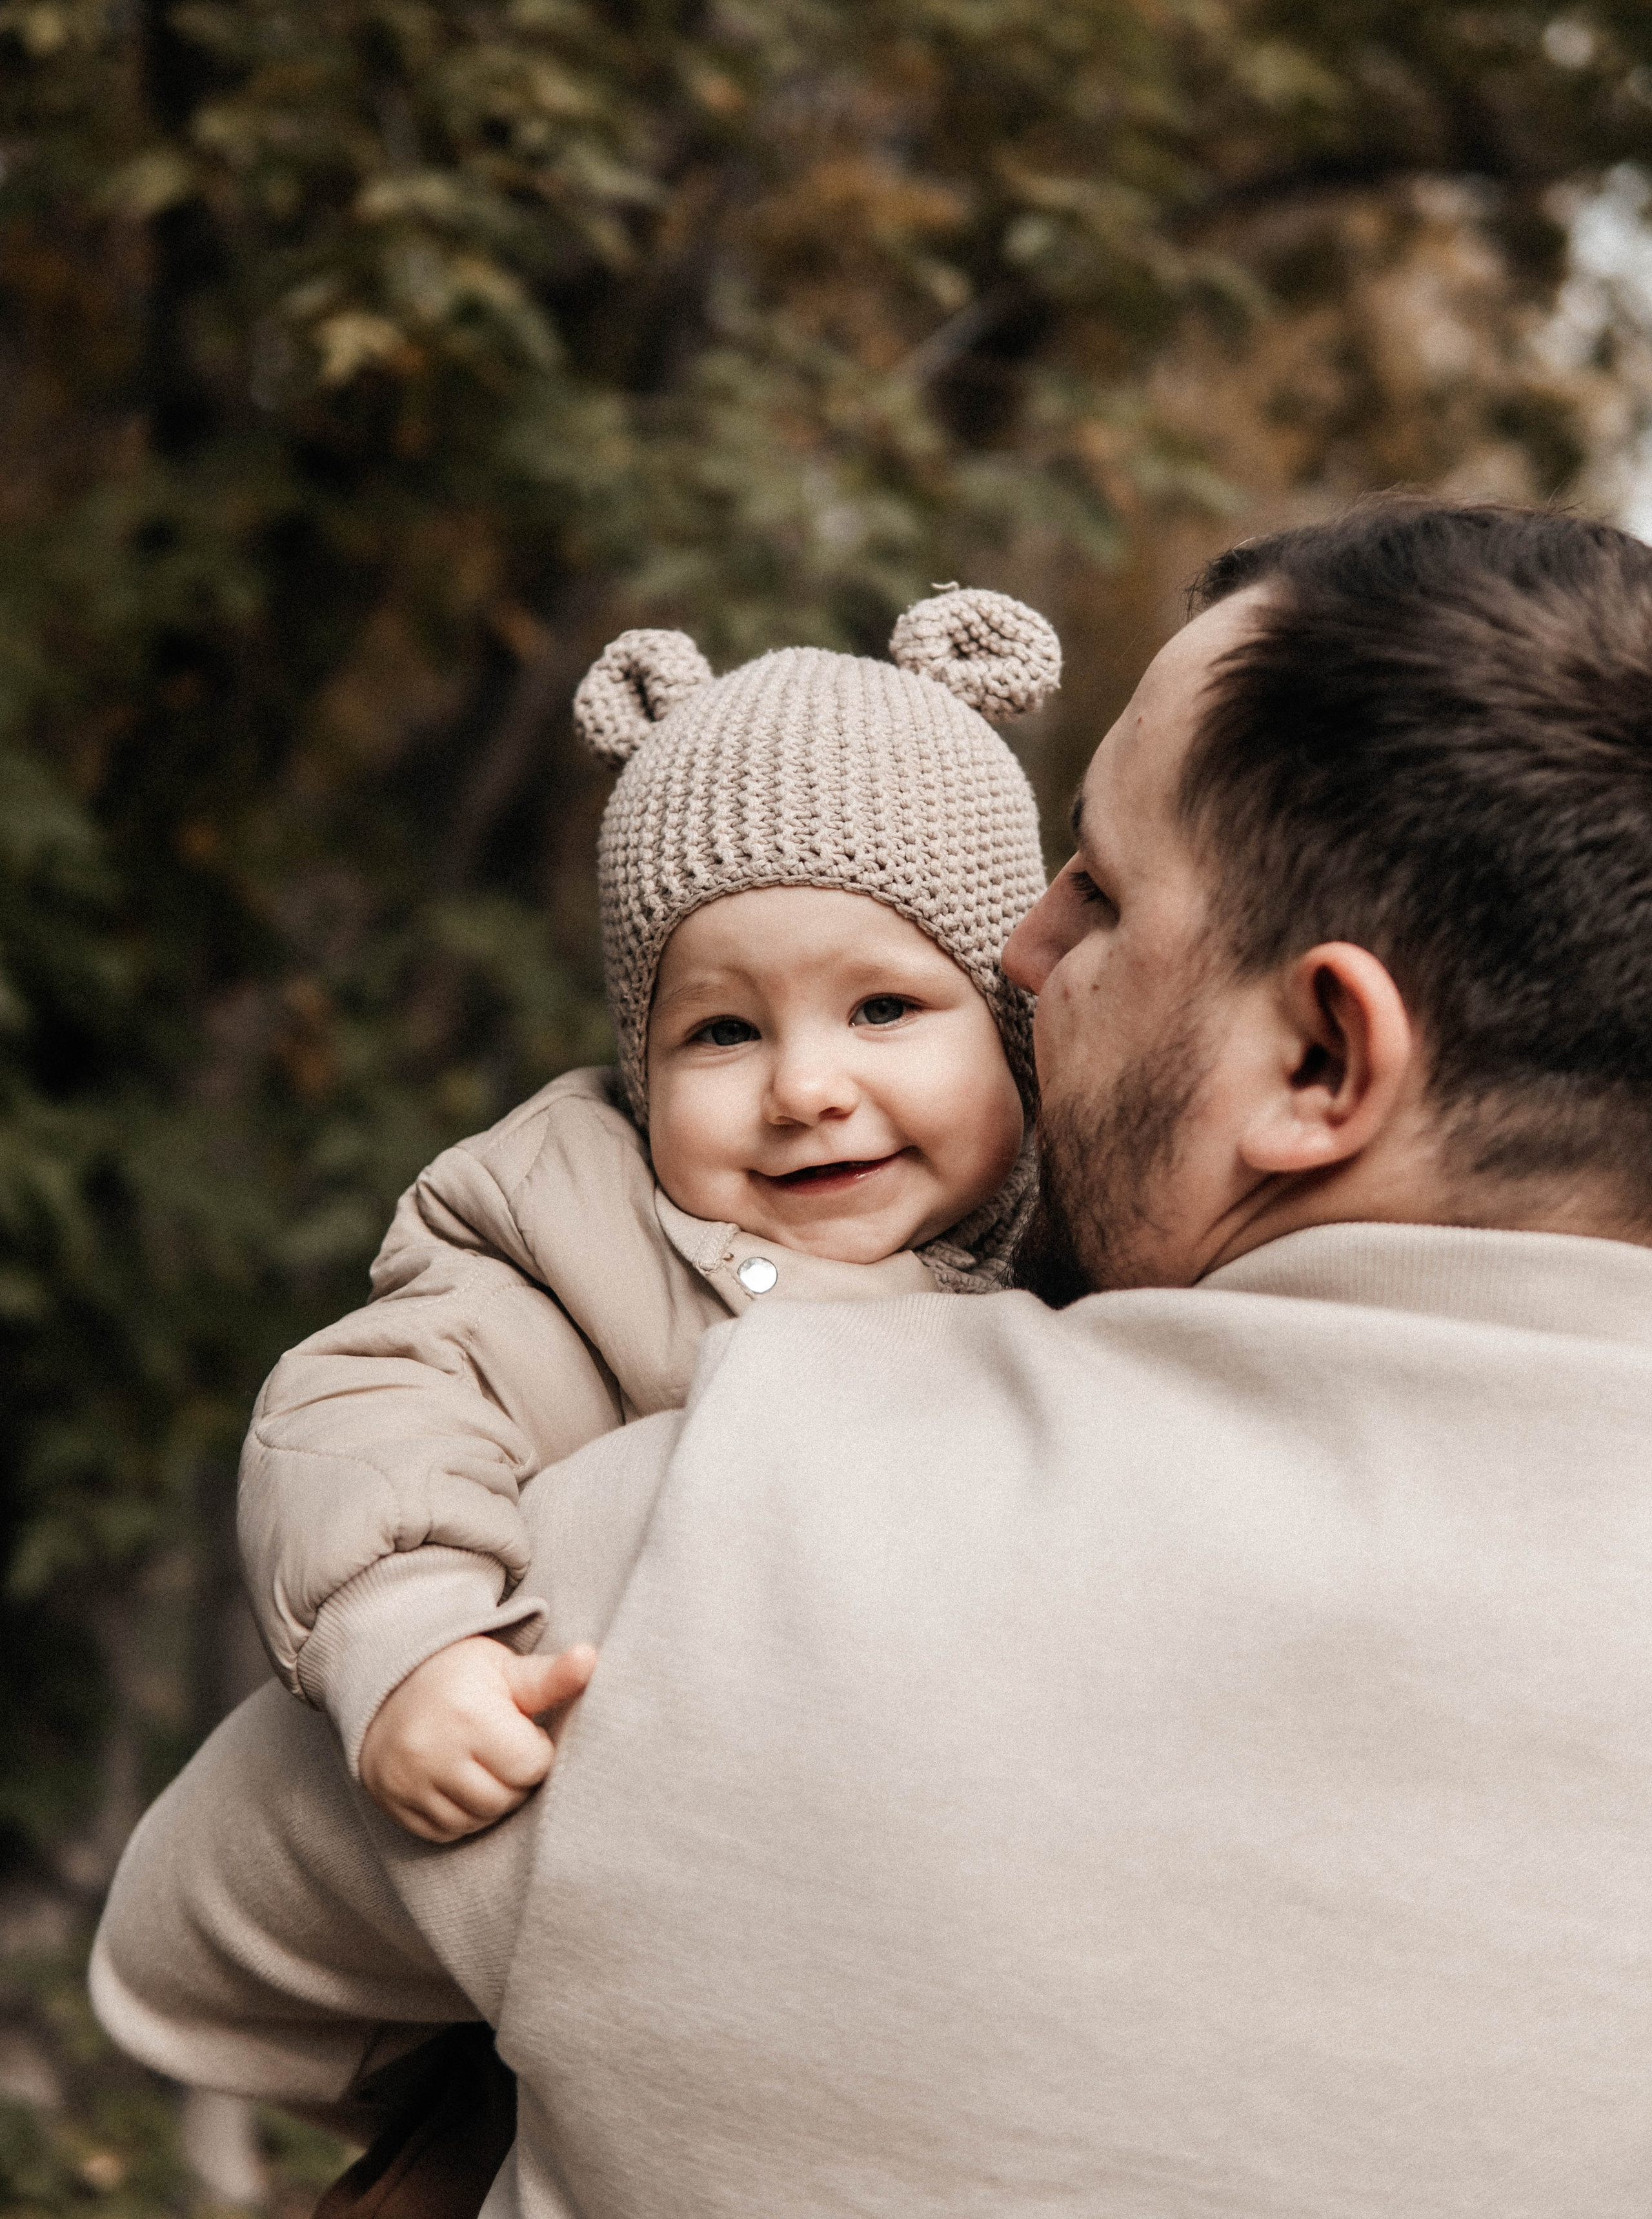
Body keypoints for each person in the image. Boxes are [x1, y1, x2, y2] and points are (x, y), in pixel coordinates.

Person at [94, 504, 1652, 2215]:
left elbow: (190, 1952)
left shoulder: (697, 1535)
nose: (1023, 950)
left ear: (1320, 1053)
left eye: (1103, 893)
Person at [239, 587, 1060, 1841]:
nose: (804, 1089)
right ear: (640, 1066)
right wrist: (410, 1645)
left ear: (1005, 1021)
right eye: (721, 1031)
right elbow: (367, 1412)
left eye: (882, 1009)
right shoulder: (573, 1240)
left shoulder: (1089, 1226)